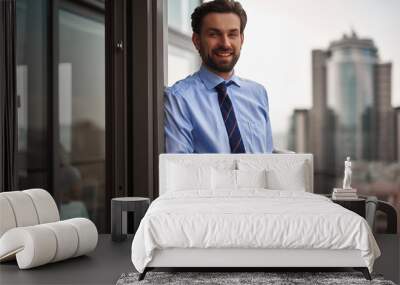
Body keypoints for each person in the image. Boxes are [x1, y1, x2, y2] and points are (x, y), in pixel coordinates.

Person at [165, 0, 273, 153]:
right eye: (214, 34)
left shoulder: (258, 94)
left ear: (241, 40)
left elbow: (268, 160)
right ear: (196, 41)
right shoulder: (179, 98)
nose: (225, 43)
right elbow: (179, 170)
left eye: (232, 34)